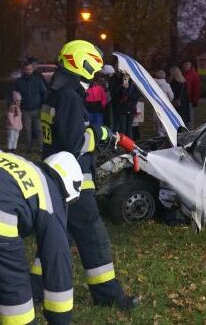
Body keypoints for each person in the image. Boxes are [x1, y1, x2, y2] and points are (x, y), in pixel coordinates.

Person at [40, 39, 138, 309]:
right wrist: (98, 134)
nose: (95, 76)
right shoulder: (70, 97)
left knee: (55, 237)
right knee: (94, 239)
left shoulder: (56, 92)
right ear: (81, 62)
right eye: (93, 69)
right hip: (74, 183)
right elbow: (74, 144)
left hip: (53, 179)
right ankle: (108, 296)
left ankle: (35, 288)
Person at [0, 151, 83, 325]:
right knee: (18, 304)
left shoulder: (22, 164)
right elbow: (57, 259)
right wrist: (60, 320)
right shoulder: (50, 192)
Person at [14, 61, 47, 152]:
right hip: (25, 110)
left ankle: (42, 148)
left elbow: (44, 93)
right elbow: (15, 94)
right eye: (26, 69)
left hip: (37, 109)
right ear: (23, 70)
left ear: (32, 69)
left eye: (30, 69)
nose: (28, 71)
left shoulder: (38, 80)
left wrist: (42, 106)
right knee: (27, 130)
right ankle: (29, 148)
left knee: (39, 130)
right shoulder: (19, 82)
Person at [115, 73, 140, 138]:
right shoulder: (120, 86)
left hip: (130, 108)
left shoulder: (133, 87)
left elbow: (136, 97)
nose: (125, 79)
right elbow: (116, 96)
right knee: (122, 127)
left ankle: (129, 143)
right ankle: (122, 142)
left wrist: (127, 91)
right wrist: (122, 88)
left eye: (126, 78)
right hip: (122, 109)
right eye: (124, 78)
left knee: (129, 126)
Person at [154, 70, 174, 136]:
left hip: (156, 105)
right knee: (164, 122)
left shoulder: (153, 84)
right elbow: (171, 96)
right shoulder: (166, 85)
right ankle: (163, 135)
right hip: (164, 105)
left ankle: (158, 133)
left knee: (157, 122)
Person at [182, 60, 200, 129]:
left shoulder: (194, 75)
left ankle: (190, 131)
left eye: (187, 64)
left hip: (189, 100)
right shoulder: (183, 74)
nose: (185, 66)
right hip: (183, 100)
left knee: (190, 118)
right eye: (184, 64)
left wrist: (194, 100)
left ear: (190, 65)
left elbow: (196, 88)